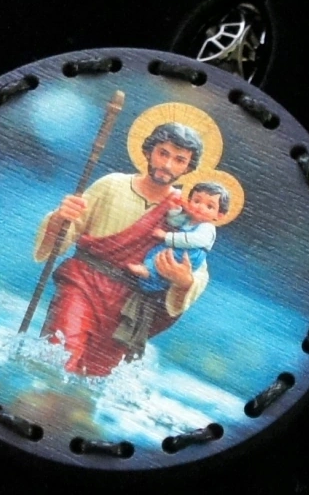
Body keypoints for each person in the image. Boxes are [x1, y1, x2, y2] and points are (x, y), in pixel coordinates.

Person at [32, 121, 209, 377]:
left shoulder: (185, 211)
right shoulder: (112, 185)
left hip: (128, 306)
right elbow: (67, 232)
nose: (168, 165)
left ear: (188, 168)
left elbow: (198, 267)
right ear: (148, 151)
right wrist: (61, 217)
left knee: (91, 378)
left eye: (179, 160)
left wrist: (184, 280)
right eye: (163, 153)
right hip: (84, 283)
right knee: (59, 356)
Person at [132, 179, 232, 283]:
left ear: (219, 215)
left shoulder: (207, 228)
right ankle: (149, 272)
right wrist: (175, 209)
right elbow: (173, 222)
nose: (200, 207)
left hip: (190, 254)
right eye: (197, 201)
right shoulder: (188, 219)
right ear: (189, 202)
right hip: (179, 248)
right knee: (158, 253)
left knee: (167, 260)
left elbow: (193, 240)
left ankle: (148, 272)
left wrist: (166, 236)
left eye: (209, 206)